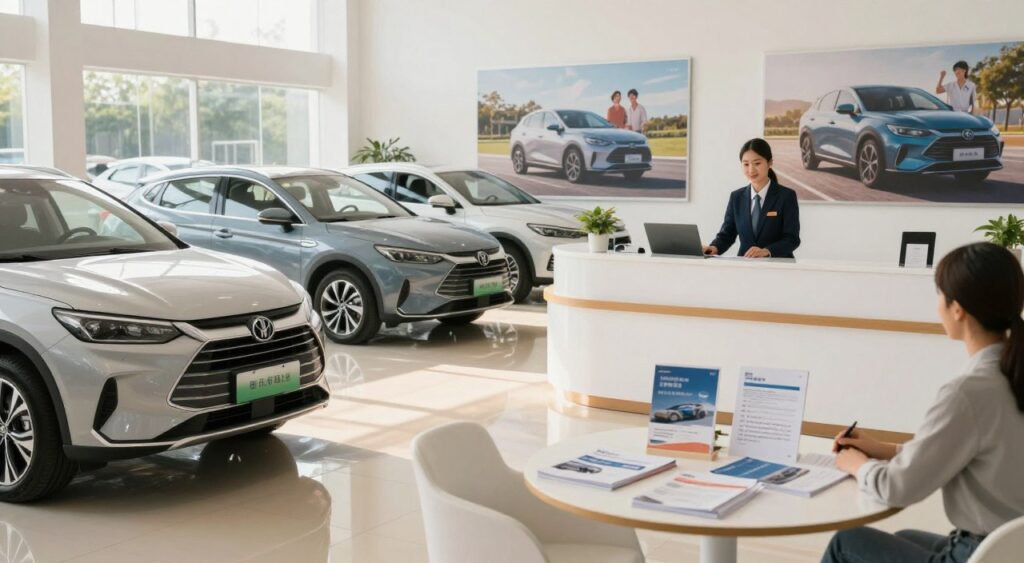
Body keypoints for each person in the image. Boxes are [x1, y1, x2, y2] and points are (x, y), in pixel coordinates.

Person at [821, 242, 1024, 563]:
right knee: (902, 538)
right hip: (1010, 549)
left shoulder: (968, 391)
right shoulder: (1011, 372)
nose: (937, 307)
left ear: (958, 309)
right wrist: (883, 449)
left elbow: (897, 488)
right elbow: (958, 452)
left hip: (978, 552)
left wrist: (856, 465)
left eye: (939, 296)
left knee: (847, 542)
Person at [703, 138, 800, 258]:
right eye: (746, 164)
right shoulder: (736, 197)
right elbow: (727, 234)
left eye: (757, 163)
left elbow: (792, 239)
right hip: (745, 268)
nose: (751, 169)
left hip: (778, 267)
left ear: (770, 163)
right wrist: (713, 248)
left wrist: (766, 251)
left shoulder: (786, 196)